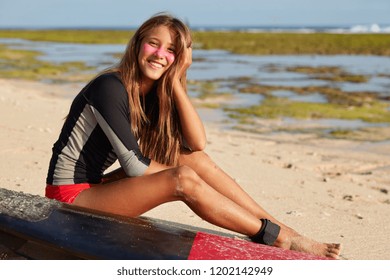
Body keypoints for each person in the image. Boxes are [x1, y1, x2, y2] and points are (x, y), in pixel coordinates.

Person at [45, 13, 341, 259]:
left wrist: (175, 82)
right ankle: (275, 237)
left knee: (191, 159)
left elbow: (197, 144)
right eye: (153, 44)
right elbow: (135, 166)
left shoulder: (151, 93)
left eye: (171, 50)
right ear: (138, 45)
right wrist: (190, 181)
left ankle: (282, 229)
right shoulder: (110, 87)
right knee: (183, 178)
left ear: (179, 57)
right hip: (71, 196)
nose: (160, 54)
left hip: (98, 185)